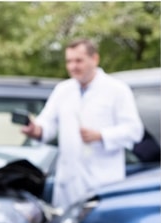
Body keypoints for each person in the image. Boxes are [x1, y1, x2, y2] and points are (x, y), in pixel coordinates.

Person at [21, 38, 144, 210]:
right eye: (69, 61)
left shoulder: (117, 90)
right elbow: (47, 123)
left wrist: (101, 135)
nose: (73, 67)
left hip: (102, 183)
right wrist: (36, 130)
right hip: (68, 185)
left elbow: (134, 131)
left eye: (78, 61)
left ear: (94, 59)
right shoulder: (63, 90)